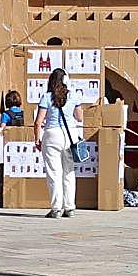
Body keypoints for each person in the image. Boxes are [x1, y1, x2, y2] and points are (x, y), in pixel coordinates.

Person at [35, 74, 88, 218]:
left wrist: (37, 140)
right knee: (69, 172)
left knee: (54, 173)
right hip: (70, 134)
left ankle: (56, 208)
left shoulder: (46, 97)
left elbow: (38, 122)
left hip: (52, 134)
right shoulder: (74, 96)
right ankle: (70, 207)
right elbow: (79, 117)